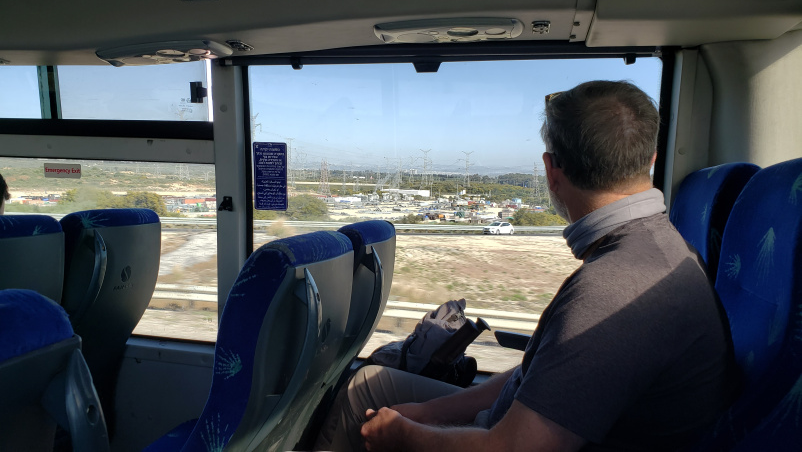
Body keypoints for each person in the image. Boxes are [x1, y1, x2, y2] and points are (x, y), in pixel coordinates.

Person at [314, 81, 739, 451]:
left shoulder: (612, 290)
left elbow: (515, 448)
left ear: (551, 173)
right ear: (649, 160)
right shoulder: (661, 249)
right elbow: (544, 376)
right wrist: (426, 411)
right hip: (521, 423)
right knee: (370, 385)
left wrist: (404, 437)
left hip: (507, 437)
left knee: (360, 403)